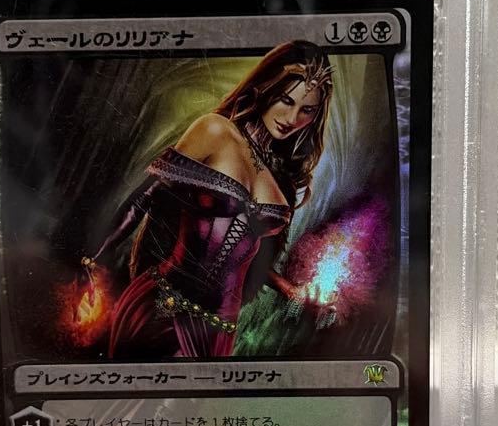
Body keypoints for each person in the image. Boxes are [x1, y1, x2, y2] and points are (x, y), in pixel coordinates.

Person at [80, 41, 334, 358]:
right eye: (286, 100)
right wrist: (93, 261)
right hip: (166, 309)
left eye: (307, 110)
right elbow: (146, 195)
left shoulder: (280, 178)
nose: (292, 117)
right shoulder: (215, 130)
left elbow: (245, 253)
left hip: (219, 330)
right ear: (265, 87)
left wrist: (289, 289)